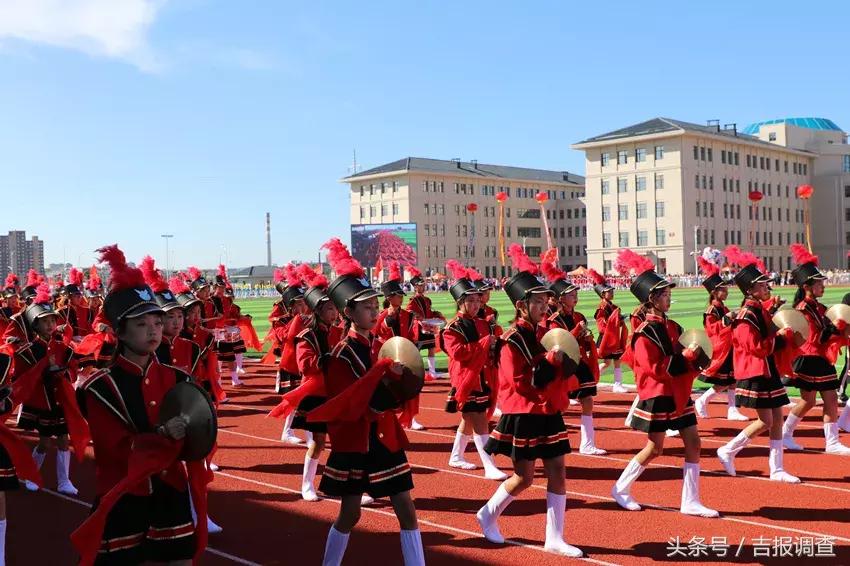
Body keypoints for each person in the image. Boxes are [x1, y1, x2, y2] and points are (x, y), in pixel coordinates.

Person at [73, 244, 207, 565]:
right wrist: (162, 434)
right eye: (142, 324)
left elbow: (199, 438)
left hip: (170, 489)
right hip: (124, 494)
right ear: (120, 332)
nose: (153, 330)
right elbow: (114, 449)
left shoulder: (178, 377)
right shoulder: (100, 387)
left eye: (157, 323)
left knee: (180, 561)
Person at [309, 238, 423, 566]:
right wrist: (387, 384)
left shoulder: (380, 346)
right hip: (358, 441)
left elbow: (389, 398)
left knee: (406, 507)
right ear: (349, 312)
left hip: (383, 437)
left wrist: (401, 382)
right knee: (350, 513)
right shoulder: (340, 356)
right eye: (366, 307)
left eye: (375, 305)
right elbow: (355, 407)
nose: (374, 312)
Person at [477, 244, 583, 557]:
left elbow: (551, 372)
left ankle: (554, 538)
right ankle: (487, 514)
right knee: (523, 477)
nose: (543, 305)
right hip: (524, 413)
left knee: (558, 470)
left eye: (544, 300)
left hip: (547, 410)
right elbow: (520, 383)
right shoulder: (511, 339)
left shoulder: (542, 333)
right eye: (537, 301)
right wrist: (550, 361)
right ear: (522, 305)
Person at [609, 250, 718, 518]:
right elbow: (655, 369)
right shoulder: (643, 333)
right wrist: (685, 358)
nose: (669, 298)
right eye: (665, 294)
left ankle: (690, 501)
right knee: (655, 448)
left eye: (669, 294)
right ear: (652, 299)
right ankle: (621, 488)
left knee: (694, 443)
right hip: (658, 394)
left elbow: (682, 357)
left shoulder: (673, 326)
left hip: (677, 392)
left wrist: (697, 358)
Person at [715, 246, 800, 483]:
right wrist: (780, 337)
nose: (767, 289)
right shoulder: (745, 316)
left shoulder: (758, 310)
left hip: (767, 369)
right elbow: (756, 347)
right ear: (750, 290)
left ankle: (777, 469)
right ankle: (728, 449)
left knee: (777, 418)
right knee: (766, 421)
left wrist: (780, 328)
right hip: (755, 372)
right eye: (762, 286)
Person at [270, 264, 343, 501]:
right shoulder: (307, 336)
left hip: (337, 393)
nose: (335, 313)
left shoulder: (339, 332)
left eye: (335, 308)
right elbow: (306, 366)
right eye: (330, 308)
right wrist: (329, 359)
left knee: (344, 442)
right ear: (318, 310)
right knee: (319, 442)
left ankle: (346, 486)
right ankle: (307, 484)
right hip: (317, 395)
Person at [13, 282, 88, 495]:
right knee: (45, 443)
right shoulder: (29, 350)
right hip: (41, 402)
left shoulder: (62, 346)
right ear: (35, 325)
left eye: (52, 320)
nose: (50, 325)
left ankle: (64, 481)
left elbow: (74, 368)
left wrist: (64, 374)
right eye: (45, 321)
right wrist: (43, 373)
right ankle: (31, 474)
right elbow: (21, 377)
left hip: (60, 400)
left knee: (64, 441)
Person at [780, 245, 850, 455]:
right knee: (815, 400)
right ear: (807, 286)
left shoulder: (818, 307)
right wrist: (833, 328)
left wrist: (841, 328)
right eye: (819, 282)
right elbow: (814, 339)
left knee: (814, 400)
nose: (823, 285)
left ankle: (790, 434)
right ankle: (825, 441)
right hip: (810, 359)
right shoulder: (803, 309)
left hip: (818, 358)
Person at [441, 260, 506, 479]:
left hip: (483, 376)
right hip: (466, 378)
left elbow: (490, 347)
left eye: (478, 300)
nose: (476, 304)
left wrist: (495, 342)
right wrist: (485, 343)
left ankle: (456, 456)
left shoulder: (482, 323)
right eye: (470, 300)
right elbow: (458, 353)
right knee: (479, 419)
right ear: (460, 302)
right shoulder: (452, 327)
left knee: (469, 418)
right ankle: (489, 465)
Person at [540, 250, 606, 455]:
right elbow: (559, 342)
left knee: (587, 400)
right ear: (561, 299)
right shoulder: (554, 320)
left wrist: (587, 338)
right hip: (563, 366)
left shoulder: (578, 315)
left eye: (575, 294)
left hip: (579, 363)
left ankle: (587, 443)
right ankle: (548, 438)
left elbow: (580, 341)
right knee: (559, 404)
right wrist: (578, 331)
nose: (575, 297)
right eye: (571, 295)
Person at [693, 257, 749, 422]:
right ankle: (703, 400)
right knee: (724, 381)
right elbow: (711, 330)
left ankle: (732, 409)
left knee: (733, 379)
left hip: (730, 346)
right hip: (721, 349)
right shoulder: (711, 310)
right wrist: (727, 319)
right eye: (723, 289)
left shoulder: (722, 307)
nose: (726, 292)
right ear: (714, 292)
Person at [377, 262, 425, 431]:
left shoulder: (407, 315)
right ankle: (391, 419)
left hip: (405, 355)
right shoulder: (382, 316)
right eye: (398, 296)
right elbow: (377, 335)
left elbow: (411, 335)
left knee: (411, 386)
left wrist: (414, 345)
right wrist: (388, 320)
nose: (401, 298)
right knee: (391, 390)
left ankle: (411, 418)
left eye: (401, 295)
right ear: (389, 298)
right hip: (388, 358)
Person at [276, 263, 310, 444]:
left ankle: (308, 434)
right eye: (299, 303)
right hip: (290, 365)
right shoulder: (281, 320)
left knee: (307, 399)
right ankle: (287, 432)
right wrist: (297, 320)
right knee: (295, 401)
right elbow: (285, 336)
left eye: (303, 303)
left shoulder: (307, 318)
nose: (303, 306)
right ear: (291, 305)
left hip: (303, 364)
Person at [590, 268, 628, 393]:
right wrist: (614, 323)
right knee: (611, 361)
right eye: (609, 291)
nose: (612, 293)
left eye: (612, 291)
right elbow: (601, 325)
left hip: (612, 336)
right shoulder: (602, 308)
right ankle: (595, 380)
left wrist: (620, 320)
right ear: (603, 294)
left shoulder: (612, 306)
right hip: (607, 337)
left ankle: (614, 383)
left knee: (613, 361)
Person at [406, 266, 445, 380]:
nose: (423, 287)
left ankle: (432, 372)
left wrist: (436, 314)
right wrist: (418, 316)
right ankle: (415, 372)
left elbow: (429, 312)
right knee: (417, 351)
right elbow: (409, 311)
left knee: (431, 348)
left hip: (429, 326)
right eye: (420, 285)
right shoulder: (413, 300)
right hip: (419, 328)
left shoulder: (427, 299)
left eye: (423, 285)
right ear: (415, 287)